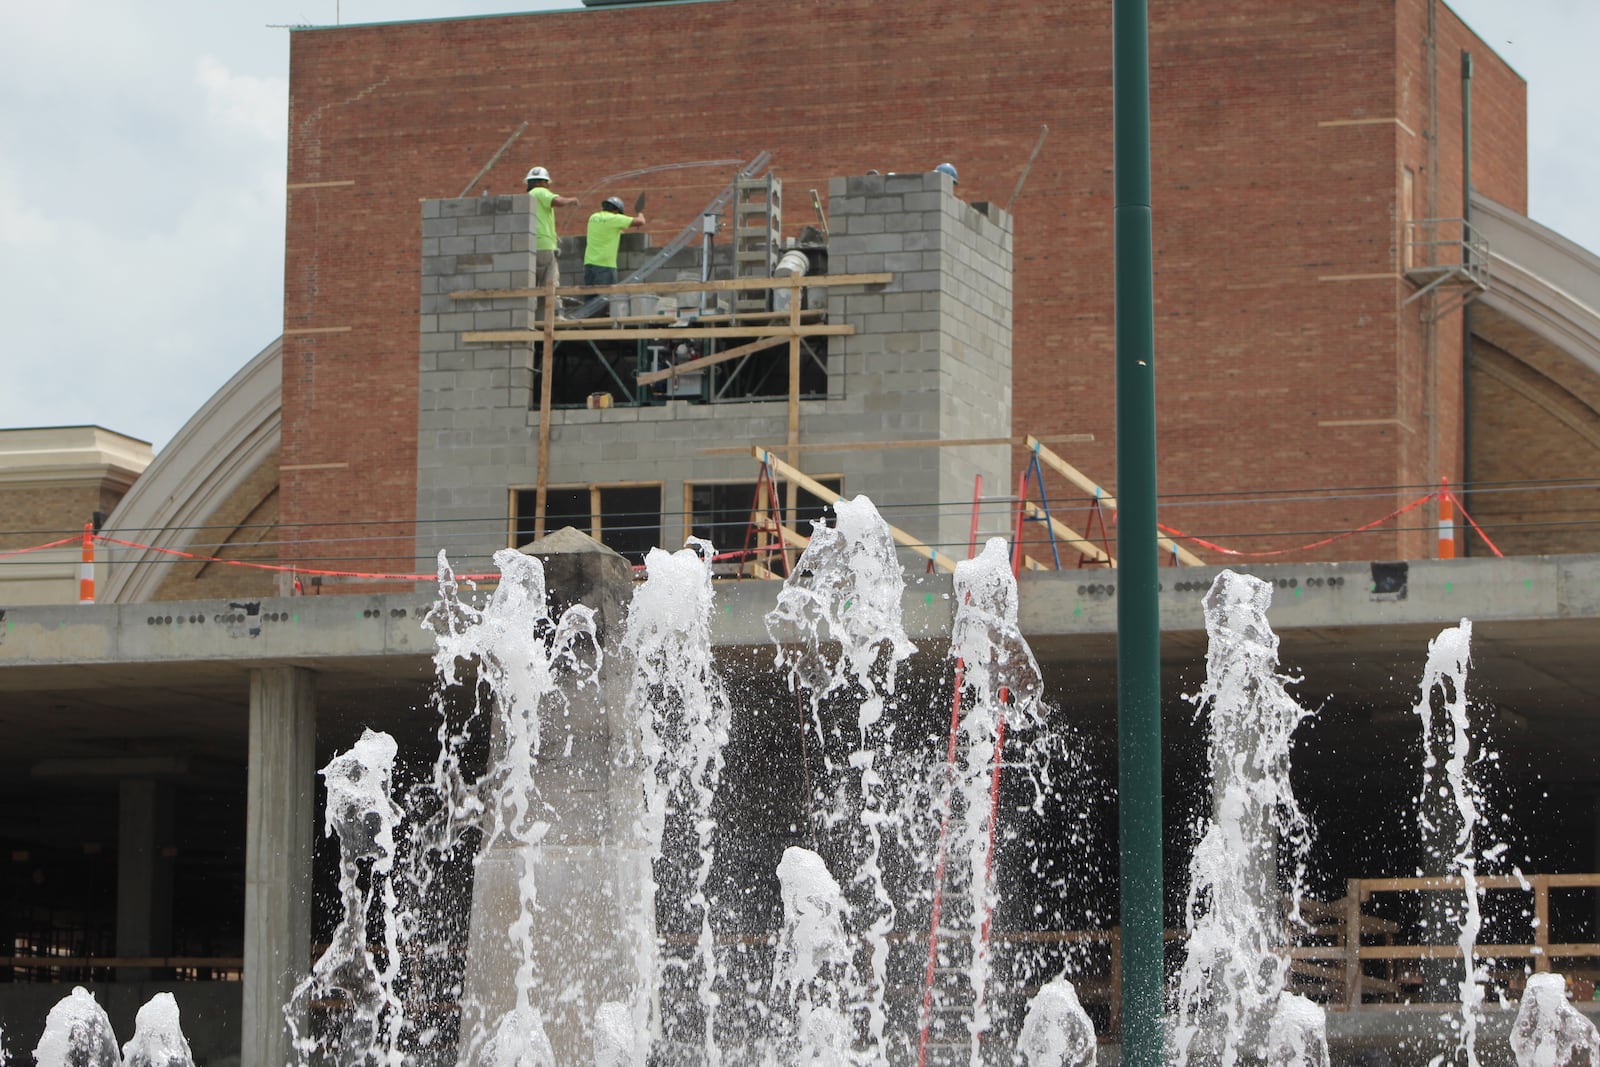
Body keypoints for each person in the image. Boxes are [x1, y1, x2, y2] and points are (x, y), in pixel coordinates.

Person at [525, 165, 577, 320]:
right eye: (547, 183)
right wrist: (571, 200)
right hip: (545, 247)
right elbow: (557, 201)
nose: (548, 186)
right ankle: (554, 316)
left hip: (531, 246)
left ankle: (533, 318)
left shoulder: (528, 197)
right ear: (542, 182)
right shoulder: (540, 192)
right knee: (551, 282)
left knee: (534, 286)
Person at [583, 196, 647, 316]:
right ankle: (603, 327)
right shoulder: (614, 218)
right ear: (616, 210)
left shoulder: (593, 217)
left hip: (589, 264)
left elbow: (606, 230)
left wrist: (618, 230)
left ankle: (589, 327)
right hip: (605, 265)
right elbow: (640, 222)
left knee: (590, 300)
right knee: (606, 299)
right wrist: (640, 213)